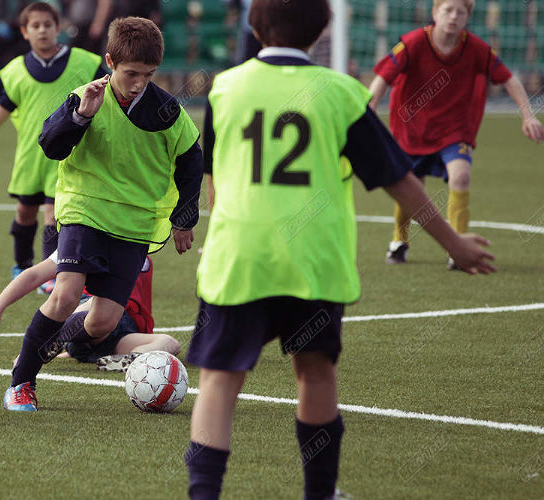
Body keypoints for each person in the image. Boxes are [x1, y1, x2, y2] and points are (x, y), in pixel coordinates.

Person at [184, 1, 497, 498]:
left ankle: (203, 493)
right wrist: (454, 243)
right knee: (314, 373)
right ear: (324, 29)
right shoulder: (341, 93)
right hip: (312, 261)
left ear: (252, 24)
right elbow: (400, 181)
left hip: (239, 259)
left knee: (220, 380)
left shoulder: (225, 88)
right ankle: (320, 491)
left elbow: (215, 178)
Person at [2, 16, 204, 412]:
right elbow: (51, 146)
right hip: (84, 209)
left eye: (148, 74)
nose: (139, 82)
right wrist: (80, 117)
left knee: (103, 323)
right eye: (130, 73)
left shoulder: (166, 111)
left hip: (134, 223)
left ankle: (61, 338)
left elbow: (191, 160)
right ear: (110, 61)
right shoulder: (85, 97)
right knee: (64, 295)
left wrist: (184, 218)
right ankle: (21, 383)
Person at [368, 0, 543, 267]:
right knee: (411, 186)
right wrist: (367, 113)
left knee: (460, 176)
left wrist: (528, 114)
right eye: (447, 10)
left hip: (454, 130)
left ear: (468, 17)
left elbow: (508, 78)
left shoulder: (476, 48)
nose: (453, 16)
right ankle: (399, 241)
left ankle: (457, 249)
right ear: (434, 13)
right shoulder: (413, 43)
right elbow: (382, 79)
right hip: (412, 130)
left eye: (460, 12)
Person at [0, 2, 104, 287]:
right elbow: (5, 105)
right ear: (25, 32)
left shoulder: (85, 62)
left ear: (58, 28)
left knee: (53, 214)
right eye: (35, 26)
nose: (42, 30)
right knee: (24, 212)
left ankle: (51, 274)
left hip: (68, 155)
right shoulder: (16, 70)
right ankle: (21, 265)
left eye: (47, 24)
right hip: (30, 156)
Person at [0, 251, 179, 371]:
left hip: (118, 333)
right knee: (95, 306)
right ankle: (48, 343)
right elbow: (34, 275)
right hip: (87, 313)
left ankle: (115, 362)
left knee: (170, 344)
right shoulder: (82, 240)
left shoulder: (137, 244)